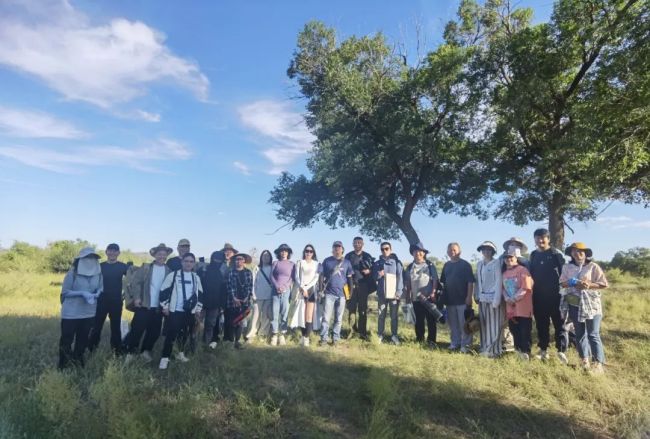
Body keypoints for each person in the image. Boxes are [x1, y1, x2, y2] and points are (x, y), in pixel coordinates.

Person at [559, 242, 608, 373]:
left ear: (586, 254)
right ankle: (584, 361)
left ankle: (598, 363)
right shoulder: (567, 267)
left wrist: (589, 285)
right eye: (574, 251)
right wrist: (570, 282)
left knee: (593, 334)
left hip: (592, 306)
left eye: (580, 251)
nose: (577, 253)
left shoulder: (593, 266)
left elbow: (603, 284)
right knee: (580, 334)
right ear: (571, 254)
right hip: (574, 304)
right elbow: (562, 283)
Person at [123, 243, 172, 363]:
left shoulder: (169, 271)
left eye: (164, 254)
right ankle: (131, 352)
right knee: (137, 330)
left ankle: (145, 351)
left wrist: (167, 305)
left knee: (154, 332)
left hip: (159, 308)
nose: (162, 256)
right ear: (154, 255)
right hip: (144, 305)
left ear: (166, 256)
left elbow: (170, 289)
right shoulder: (146, 268)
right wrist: (136, 298)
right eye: (159, 254)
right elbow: (136, 282)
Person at [58, 247, 103, 369]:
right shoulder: (73, 272)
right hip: (71, 313)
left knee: (83, 339)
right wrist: (82, 293)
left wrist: (97, 294)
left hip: (88, 312)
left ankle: (78, 359)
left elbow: (100, 287)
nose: (90, 259)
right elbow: (65, 292)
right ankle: (63, 363)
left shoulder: (98, 273)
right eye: (87, 257)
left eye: (93, 257)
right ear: (80, 259)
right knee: (67, 339)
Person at [529, 228, 568, 364]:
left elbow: (565, 274)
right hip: (538, 297)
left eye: (543, 238)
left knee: (559, 324)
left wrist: (563, 293)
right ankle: (543, 350)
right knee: (541, 325)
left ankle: (561, 351)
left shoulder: (556, 254)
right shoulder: (533, 255)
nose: (540, 240)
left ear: (548, 239)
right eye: (538, 238)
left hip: (556, 296)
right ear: (534, 240)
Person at [158, 253, 203, 370]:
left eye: (191, 261)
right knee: (171, 334)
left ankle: (180, 353)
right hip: (175, 311)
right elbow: (163, 292)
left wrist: (198, 309)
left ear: (194, 264)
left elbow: (200, 295)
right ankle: (164, 357)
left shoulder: (196, 278)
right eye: (186, 261)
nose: (188, 263)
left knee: (184, 334)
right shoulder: (173, 275)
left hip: (189, 311)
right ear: (182, 262)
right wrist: (165, 307)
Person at [88, 243, 128, 355]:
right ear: (106, 252)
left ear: (118, 253)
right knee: (96, 326)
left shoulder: (123, 266)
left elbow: (132, 281)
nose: (112, 253)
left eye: (115, 251)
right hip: (101, 300)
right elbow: (92, 282)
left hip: (116, 301)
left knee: (115, 327)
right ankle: (91, 349)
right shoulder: (100, 266)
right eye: (110, 250)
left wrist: (126, 294)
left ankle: (117, 351)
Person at [440, 243, 475, 353]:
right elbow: (443, 283)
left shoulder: (465, 265)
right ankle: (455, 342)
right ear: (447, 252)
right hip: (450, 300)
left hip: (463, 300)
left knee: (464, 324)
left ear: (460, 251)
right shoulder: (446, 265)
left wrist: (469, 297)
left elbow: (470, 282)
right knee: (453, 324)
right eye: (450, 250)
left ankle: (466, 345)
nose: (452, 252)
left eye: (454, 250)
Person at [403, 242, 439, 347]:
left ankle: (432, 342)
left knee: (431, 321)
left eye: (420, 251)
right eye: (415, 251)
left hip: (428, 299)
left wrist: (433, 292)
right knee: (418, 321)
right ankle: (419, 340)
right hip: (415, 299)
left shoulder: (430, 265)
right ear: (412, 253)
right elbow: (408, 283)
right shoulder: (409, 267)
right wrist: (407, 296)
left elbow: (435, 280)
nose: (417, 253)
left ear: (423, 253)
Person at [319, 241, 354, 346]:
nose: (337, 249)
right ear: (332, 249)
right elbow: (321, 276)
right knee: (326, 318)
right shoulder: (327, 261)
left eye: (339, 247)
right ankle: (324, 339)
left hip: (342, 294)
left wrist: (350, 292)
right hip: (329, 294)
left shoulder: (347, 262)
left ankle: (335, 339)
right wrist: (321, 290)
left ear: (342, 249)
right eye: (335, 247)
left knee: (338, 319)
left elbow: (350, 279)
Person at [502, 248, 534, 360]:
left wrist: (514, 298)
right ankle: (518, 350)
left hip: (523, 307)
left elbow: (526, 287)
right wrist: (507, 298)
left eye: (511, 257)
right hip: (511, 307)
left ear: (516, 258)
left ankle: (526, 352)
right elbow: (503, 289)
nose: (509, 259)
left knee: (524, 329)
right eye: (506, 257)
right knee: (514, 329)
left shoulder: (523, 270)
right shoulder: (504, 273)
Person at [475, 241, 503, 358]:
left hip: (493, 298)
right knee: (484, 324)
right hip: (482, 298)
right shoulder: (479, 264)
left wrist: (497, 299)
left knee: (494, 325)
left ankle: (494, 349)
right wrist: (476, 295)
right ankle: (484, 347)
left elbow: (499, 281)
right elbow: (477, 281)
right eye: (484, 249)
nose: (486, 251)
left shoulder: (496, 263)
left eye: (489, 249)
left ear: (492, 251)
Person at [373, 242, 404, 345]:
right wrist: (379, 274)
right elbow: (374, 277)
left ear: (391, 249)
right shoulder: (377, 263)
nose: (384, 251)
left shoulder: (397, 262)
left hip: (394, 295)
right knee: (381, 315)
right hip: (382, 294)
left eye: (386, 249)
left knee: (394, 316)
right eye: (382, 249)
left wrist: (399, 292)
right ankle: (380, 335)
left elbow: (400, 278)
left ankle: (394, 336)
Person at [344, 237, 375, 340]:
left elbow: (373, 269)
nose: (357, 244)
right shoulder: (348, 256)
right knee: (351, 310)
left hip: (363, 286)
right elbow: (344, 270)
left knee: (362, 310)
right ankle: (352, 332)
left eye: (359, 243)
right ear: (353, 244)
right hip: (350, 286)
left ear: (363, 244)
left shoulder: (367, 256)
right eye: (355, 243)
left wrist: (369, 272)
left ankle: (362, 333)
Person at [291, 244, 321, 347]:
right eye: (307, 251)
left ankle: (306, 338)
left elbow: (316, 278)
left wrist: (307, 287)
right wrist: (303, 288)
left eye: (310, 251)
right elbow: (297, 276)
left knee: (309, 316)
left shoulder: (317, 264)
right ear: (304, 252)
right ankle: (303, 336)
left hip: (311, 291)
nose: (308, 253)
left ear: (313, 253)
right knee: (301, 315)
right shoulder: (299, 262)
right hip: (301, 290)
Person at [197, 250, 226, 348]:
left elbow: (223, 290)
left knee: (210, 326)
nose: (217, 261)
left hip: (215, 304)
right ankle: (194, 345)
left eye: (220, 260)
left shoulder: (222, 272)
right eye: (216, 259)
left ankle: (205, 345)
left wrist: (222, 305)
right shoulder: (203, 270)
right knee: (197, 325)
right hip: (200, 303)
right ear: (212, 258)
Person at [226, 253, 254, 349]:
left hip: (244, 301)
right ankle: (231, 341)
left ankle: (237, 341)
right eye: (237, 259)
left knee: (241, 322)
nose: (239, 261)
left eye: (241, 259)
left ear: (244, 261)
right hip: (232, 301)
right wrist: (234, 298)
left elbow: (250, 286)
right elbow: (229, 286)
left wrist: (246, 297)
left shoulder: (248, 272)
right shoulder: (231, 272)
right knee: (232, 322)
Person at [246, 250, 274, 343]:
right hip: (258, 295)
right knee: (255, 315)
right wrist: (253, 294)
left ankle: (263, 334)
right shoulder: (257, 268)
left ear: (270, 258)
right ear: (261, 258)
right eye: (264, 256)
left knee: (266, 316)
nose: (266, 258)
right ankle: (252, 333)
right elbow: (253, 282)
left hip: (269, 295)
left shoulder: (272, 268)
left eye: (268, 256)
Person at [270, 243, 295, 346]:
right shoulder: (275, 263)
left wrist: (284, 287)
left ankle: (282, 335)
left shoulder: (292, 264)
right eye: (282, 250)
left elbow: (292, 278)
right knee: (275, 314)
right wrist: (277, 287)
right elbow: (271, 276)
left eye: (286, 251)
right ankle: (274, 335)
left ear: (288, 252)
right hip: (275, 292)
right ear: (279, 253)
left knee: (284, 314)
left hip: (286, 292)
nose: (284, 252)